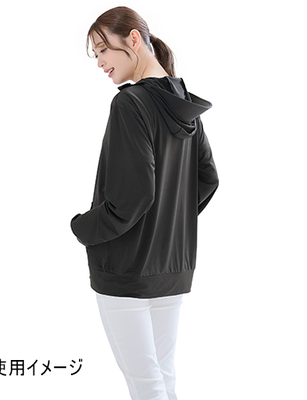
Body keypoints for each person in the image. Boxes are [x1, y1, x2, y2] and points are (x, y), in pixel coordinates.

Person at [70, 6, 219, 400]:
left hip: (126, 270)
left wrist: (82, 227)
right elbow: (207, 178)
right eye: (96, 54)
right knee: (162, 377)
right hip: (173, 266)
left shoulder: (130, 103)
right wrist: (169, 222)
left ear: (133, 39)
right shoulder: (181, 102)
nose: (100, 62)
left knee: (147, 384)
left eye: (104, 49)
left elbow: (132, 198)